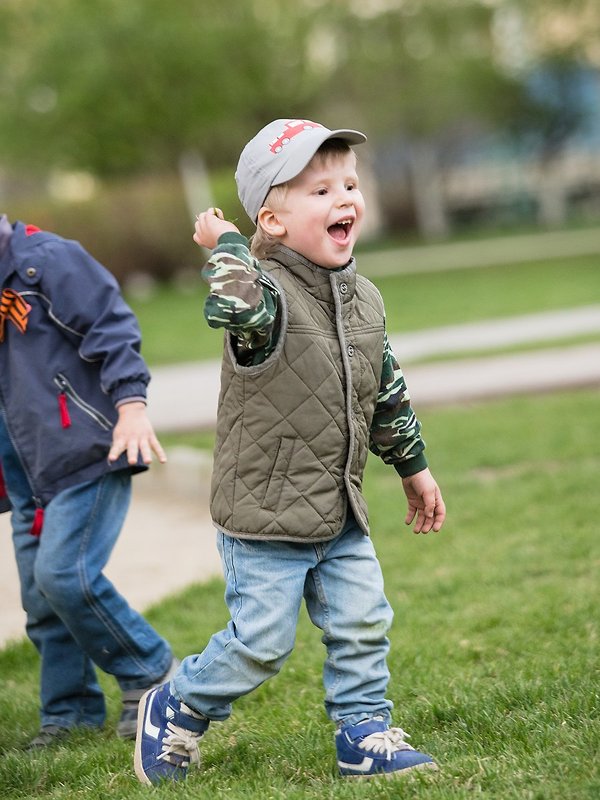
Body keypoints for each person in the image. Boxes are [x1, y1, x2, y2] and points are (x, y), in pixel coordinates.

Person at [134, 118, 446, 785]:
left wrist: (413, 469)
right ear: (271, 222)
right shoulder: (264, 295)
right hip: (265, 514)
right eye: (319, 190)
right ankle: (178, 704)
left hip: (340, 507)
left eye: (350, 184)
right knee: (262, 645)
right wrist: (224, 243)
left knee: (363, 622)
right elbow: (232, 303)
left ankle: (363, 733)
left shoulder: (364, 300)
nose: (345, 199)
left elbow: (384, 389)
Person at [0, 214, 178, 748]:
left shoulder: (45, 262)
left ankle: (151, 670)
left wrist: (130, 404)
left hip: (89, 451)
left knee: (65, 575)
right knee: (41, 600)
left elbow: (112, 324)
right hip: (28, 474)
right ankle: (70, 710)